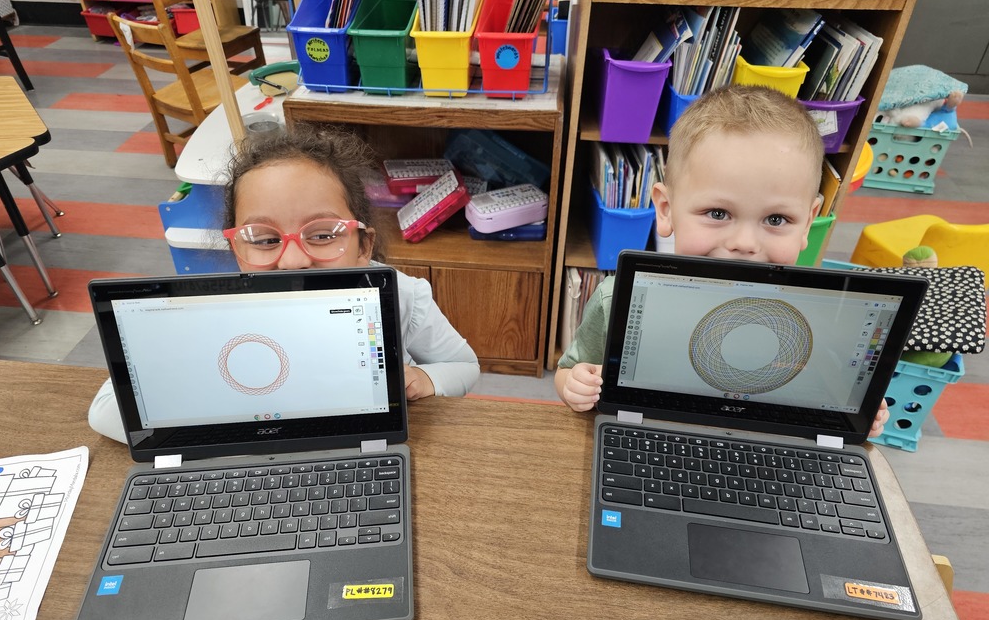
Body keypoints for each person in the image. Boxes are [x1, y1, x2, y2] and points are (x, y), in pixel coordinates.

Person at [88, 126, 479, 443]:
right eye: (264, 239)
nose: (293, 260)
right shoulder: (207, 312)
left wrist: (428, 378)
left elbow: (463, 366)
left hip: (365, 450)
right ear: (237, 249)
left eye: (324, 234)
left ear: (364, 245)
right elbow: (106, 410)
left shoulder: (404, 296)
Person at [554, 84, 891, 438]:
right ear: (666, 211)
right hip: (652, 447)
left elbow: (832, 390)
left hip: (765, 459)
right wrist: (575, 386)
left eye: (776, 220)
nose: (744, 244)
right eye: (718, 212)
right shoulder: (618, 296)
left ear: (808, 222)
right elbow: (569, 371)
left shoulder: (824, 311)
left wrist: (861, 410)